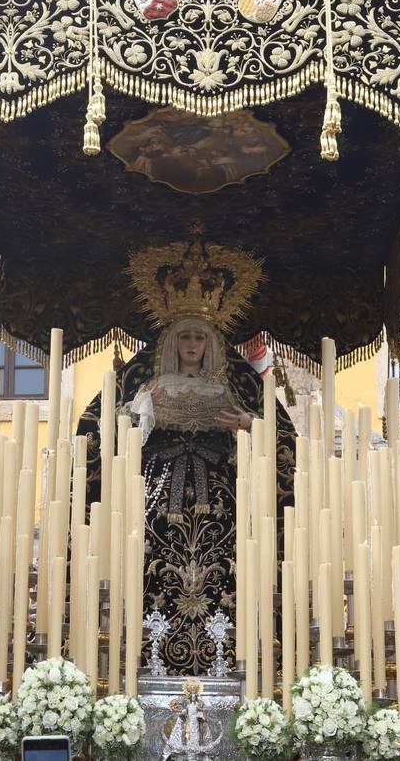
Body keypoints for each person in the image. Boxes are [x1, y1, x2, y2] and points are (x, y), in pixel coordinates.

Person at [78, 241, 295, 675]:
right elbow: (98, 431)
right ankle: (149, 659)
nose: (192, 344)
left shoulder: (237, 386)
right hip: (158, 496)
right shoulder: (147, 384)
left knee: (230, 567)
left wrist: (247, 425)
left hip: (224, 503)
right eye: (185, 336)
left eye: (199, 337)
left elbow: (285, 437)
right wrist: (140, 413)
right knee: (147, 563)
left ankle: (229, 659)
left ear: (211, 342)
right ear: (170, 342)